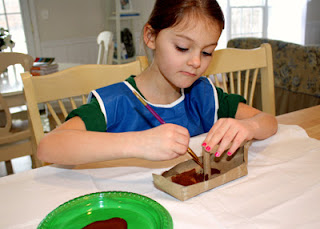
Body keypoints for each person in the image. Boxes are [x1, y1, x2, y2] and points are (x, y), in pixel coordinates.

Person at [37, 0, 277, 165]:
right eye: (183, 47)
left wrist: (249, 128)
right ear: (151, 37)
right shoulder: (116, 102)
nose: (196, 62)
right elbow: (48, 147)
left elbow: (268, 121)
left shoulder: (204, 95)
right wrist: (139, 142)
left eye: (207, 52)